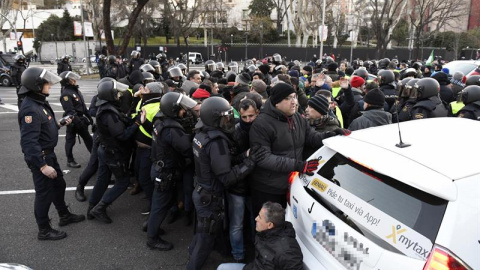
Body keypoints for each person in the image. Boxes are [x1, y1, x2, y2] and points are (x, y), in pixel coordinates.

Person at [187, 96, 266, 270]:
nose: (228, 119)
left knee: (201, 233)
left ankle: (192, 253)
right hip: (210, 196)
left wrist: (244, 156)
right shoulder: (217, 142)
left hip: (201, 191)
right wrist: (250, 163)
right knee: (205, 240)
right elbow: (227, 177)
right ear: (215, 118)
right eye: (224, 116)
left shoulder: (201, 133)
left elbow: (223, 162)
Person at [248, 82, 350, 217]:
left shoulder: (297, 117)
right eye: (288, 98)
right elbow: (264, 158)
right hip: (269, 187)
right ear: (276, 102)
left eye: (294, 97)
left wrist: (330, 134)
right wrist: (299, 165)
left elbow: (311, 137)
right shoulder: (262, 124)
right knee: (268, 228)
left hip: (292, 184)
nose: (294, 102)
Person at [18, 67, 85, 240]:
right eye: (46, 82)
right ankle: (44, 230)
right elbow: (28, 142)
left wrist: (60, 124)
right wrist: (42, 166)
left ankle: (64, 215)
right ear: (37, 85)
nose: (49, 85)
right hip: (41, 157)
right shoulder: (30, 109)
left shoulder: (38, 101)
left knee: (59, 185)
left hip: (48, 154)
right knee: (44, 194)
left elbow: (44, 127)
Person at [88, 80, 146, 223]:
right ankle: (99, 208)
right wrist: (138, 123)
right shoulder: (109, 113)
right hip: (113, 152)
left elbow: (123, 120)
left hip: (105, 149)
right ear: (111, 94)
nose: (119, 96)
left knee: (103, 178)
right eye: (117, 93)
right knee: (123, 181)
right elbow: (122, 135)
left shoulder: (106, 107)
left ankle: (91, 208)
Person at [146, 92, 197, 251]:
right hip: (166, 173)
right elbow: (188, 149)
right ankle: (152, 238)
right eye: (181, 109)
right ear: (173, 110)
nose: (184, 112)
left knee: (158, 203)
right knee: (160, 205)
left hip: (158, 168)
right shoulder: (172, 129)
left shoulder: (159, 121)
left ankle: (150, 226)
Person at [216, 202, 303, 270]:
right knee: (222, 268)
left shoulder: (287, 251)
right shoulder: (263, 233)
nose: (256, 218)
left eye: (260, 217)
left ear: (269, 225)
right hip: (253, 267)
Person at [227, 98, 260, 263]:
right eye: (245, 117)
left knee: (256, 222)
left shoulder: (262, 128)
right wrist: (245, 155)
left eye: (251, 116)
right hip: (239, 185)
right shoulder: (234, 131)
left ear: (257, 113)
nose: (248, 120)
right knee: (237, 223)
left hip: (255, 184)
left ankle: (257, 253)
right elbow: (229, 160)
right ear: (240, 115)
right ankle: (238, 255)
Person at [59, 71, 93, 168]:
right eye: (71, 79)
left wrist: (90, 118)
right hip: (73, 121)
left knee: (88, 139)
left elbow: (83, 106)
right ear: (66, 81)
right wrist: (78, 122)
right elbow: (70, 111)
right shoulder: (66, 94)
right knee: (70, 140)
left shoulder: (76, 91)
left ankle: (95, 157)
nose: (74, 80)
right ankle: (70, 160)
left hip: (81, 118)